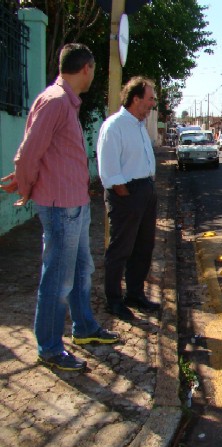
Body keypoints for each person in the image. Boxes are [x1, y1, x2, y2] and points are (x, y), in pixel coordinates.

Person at [0, 43, 119, 372]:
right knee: (58, 280)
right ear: (86, 69)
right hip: (61, 207)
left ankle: (84, 328)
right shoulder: (55, 101)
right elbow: (28, 152)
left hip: (76, 204)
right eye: (94, 70)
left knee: (82, 271)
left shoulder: (65, 102)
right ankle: (50, 347)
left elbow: (43, 152)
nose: (93, 75)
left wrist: (26, 177)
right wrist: (25, 186)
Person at [96, 76, 161, 320]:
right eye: (150, 99)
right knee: (121, 249)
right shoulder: (115, 125)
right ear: (136, 99)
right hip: (127, 194)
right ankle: (113, 300)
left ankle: (135, 294)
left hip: (145, 192)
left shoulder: (138, 125)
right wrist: (126, 194)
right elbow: (109, 169)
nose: (153, 104)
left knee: (143, 248)